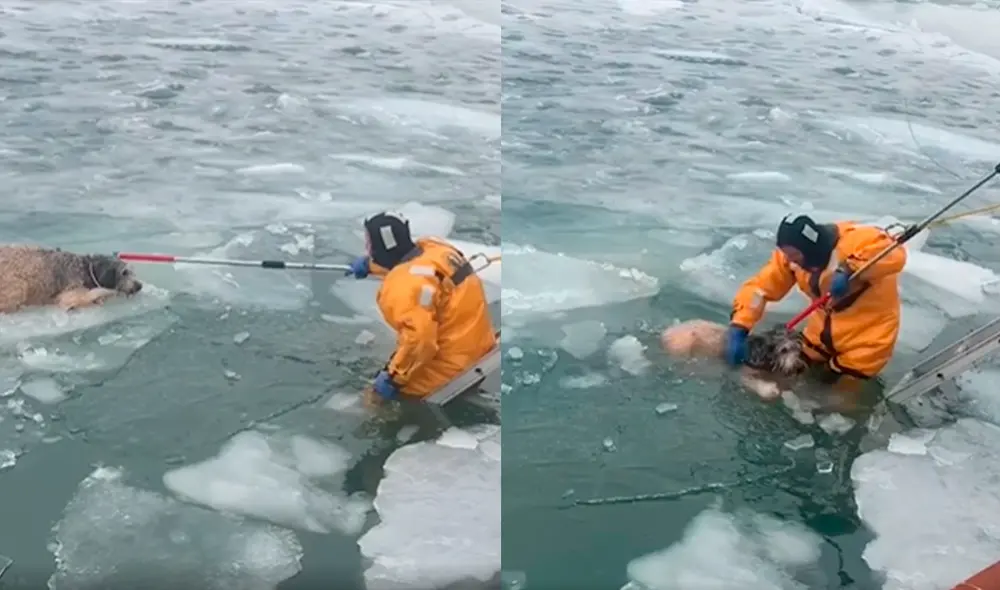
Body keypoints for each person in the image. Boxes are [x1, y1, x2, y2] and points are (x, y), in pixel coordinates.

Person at [725, 214, 906, 393]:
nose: (789, 260)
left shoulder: (855, 241)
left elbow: (894, 253)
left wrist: (849, 268)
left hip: (866, 340)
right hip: (820, 336)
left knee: (839, 399)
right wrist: (740, 325)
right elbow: (759, 290)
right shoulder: (789, 258)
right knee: (787, 377)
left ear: (810, 249)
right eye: (787, 255)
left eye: (794, 255)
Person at [345, 211, 497, 401]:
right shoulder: (438, 250)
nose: (367, 246)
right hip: (480, 344)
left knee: (373, 399)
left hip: (452, 368)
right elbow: (415, 267)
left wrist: (393, 379)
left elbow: (420, 342)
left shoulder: (402, 287)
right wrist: (371, 265)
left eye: (369, 242)